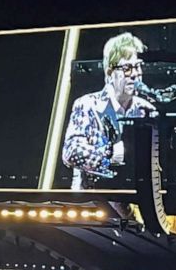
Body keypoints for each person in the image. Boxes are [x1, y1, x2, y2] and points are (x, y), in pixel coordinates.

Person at [61, 32, 156, 190]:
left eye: (138, 66)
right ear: (110, 72)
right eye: (127, 68)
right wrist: (109, 154)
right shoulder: (87, 104)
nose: (135, 74)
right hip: (94, 202)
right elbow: (71, 152)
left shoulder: (146, 110)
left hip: (135, 200)